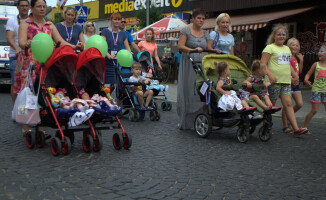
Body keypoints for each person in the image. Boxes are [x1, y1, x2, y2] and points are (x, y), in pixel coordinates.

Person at [15, 0, 83, 138]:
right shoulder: (25, 23)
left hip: (46, 63)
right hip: (29, 64)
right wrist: (27, 43)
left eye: (43, 7)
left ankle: (40, 127)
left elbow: (60, 42)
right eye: (38, 6)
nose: (41, 9)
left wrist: (74, 47)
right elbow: (21, 42)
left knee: (43, 93)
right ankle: (26, 125)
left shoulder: (49, 24)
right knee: (29, 94)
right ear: (31, 8)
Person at [260, 24, 308, 136]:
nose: (281, 36)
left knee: (288, 104)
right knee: (271, 105)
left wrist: (294, 75)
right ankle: (265, 125)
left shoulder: (287, 48)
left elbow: (288, 65)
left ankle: (296, 129)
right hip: (273, 82)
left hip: (286, 82)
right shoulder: (270, 47)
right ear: (274, 36)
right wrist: (270, 75)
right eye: (279, 34)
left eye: (283, 34)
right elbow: (263, 64)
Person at [177, 8, 214, 130]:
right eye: (199, 18)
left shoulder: (206, 33)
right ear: (193, 18)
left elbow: (208, 49)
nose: (201, 20)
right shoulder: (186, 30)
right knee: (188, 89)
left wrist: (213, 53)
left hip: (201, 63)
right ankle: (185, 119)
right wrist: (192, 50)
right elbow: (180, 46)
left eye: (203, 19)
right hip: (189, 62)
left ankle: (201, 116)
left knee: (200, 89)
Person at [6, 0, 30, 104]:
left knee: (30, 83)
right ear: (18, 7)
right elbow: (9, 38)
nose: (24, 8)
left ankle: (28, 107)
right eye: (22, 6)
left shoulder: (31, 21)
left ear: (29, 7)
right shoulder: (12, 21)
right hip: (16, 56)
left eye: (26, 6)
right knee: (15, 82)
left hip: (30, 56)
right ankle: (15, 107)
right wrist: (16, 48)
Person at [100, 12, 131, 91]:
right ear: (111, 20)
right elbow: (102, 46)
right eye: (115, 19)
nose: (117, 21)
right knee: (106, 84)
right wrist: (108, 55)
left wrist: (129, 54)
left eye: (119, 20)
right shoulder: (105, 31)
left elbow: (127, 47)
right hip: (107, 61)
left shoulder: (123, 34)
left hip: (118, 61)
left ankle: (114, 100)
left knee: (116, 84)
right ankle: (106, 100)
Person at [281, 38, 304, 134]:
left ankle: (290, 117)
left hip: (296, 84)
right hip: (288, 83)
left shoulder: (297, 58)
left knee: (300, 104)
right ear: (288, 46)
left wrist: (301, 61)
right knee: (287, 105)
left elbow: (300, 72)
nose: (295, 47)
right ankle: (285, 125)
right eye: (293, 45)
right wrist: (291, 79)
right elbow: (283, 69)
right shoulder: (287, 56)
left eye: (297, 45)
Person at [302, 45, 326, 132]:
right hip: (316, 90)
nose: (319, 53)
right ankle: (304, 126)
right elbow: (308, 74)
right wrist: (306, 80)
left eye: (322, 51)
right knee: (314, 110)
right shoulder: (316, 64)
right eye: (319, 51)